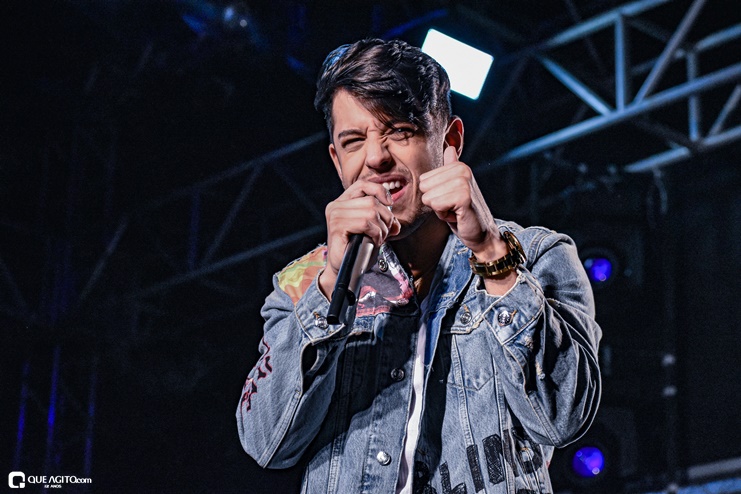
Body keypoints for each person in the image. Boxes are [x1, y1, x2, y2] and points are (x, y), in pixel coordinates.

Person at [237, 38, 601, 494]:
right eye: (354, 142)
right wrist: (332, 285)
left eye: (399, 131)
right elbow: (267, 444)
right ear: (337, 160)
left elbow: (563, 417)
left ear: (450, 141)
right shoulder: (301, 284)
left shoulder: (538, 254)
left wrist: (491, 252)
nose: (376, 158)